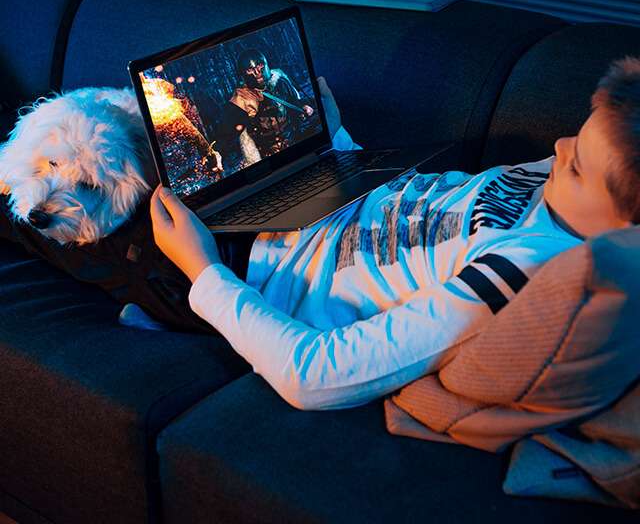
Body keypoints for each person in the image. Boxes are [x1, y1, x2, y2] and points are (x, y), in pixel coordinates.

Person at [150, 59, 640, 411]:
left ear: (625, 232)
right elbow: (407, 214)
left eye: (575, 165)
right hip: (313, 196)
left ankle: (159, 309)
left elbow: (312, 375)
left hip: (250, 269)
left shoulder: (523, 268)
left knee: (105, 177)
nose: (557, 146)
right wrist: (336, 142)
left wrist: (202, 269)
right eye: (575, 134)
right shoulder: (554, 182)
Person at [215, 49, 315, 168]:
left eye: (260, 65)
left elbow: (294, 101)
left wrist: (304, 106)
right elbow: (227, 133)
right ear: (244, 74)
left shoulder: (280, 80)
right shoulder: (242, 99)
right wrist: (218, 152)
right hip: (269, 156)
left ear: (265, 64)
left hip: (295, 140)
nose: (257, 72)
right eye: (250, 70)